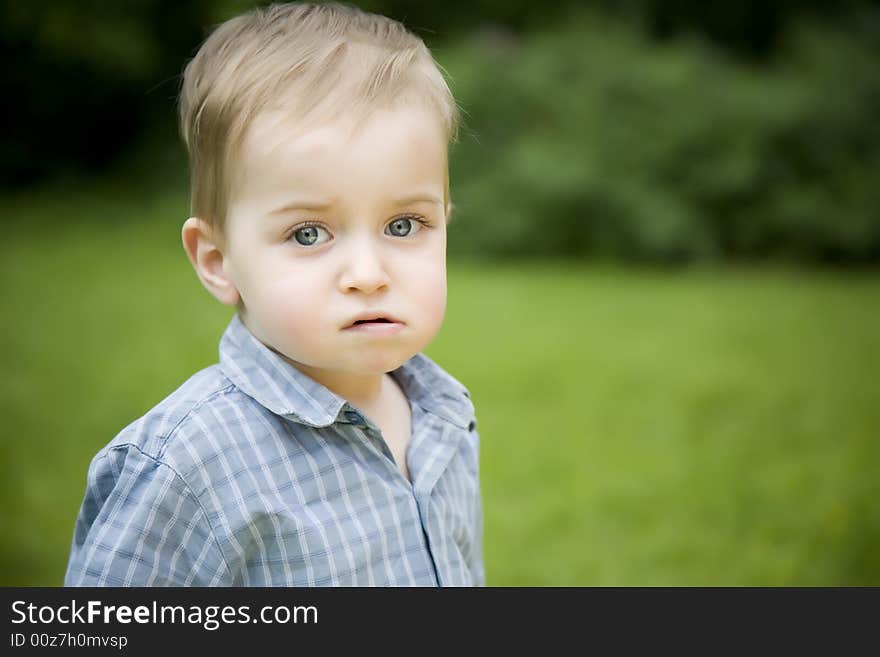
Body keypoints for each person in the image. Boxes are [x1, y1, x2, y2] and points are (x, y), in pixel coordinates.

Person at [64, 1, 483, 586]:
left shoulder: (442, 415)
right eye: (308, 233)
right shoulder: (188, 467)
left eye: (404, 225)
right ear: (218, 261)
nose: (368, 273)